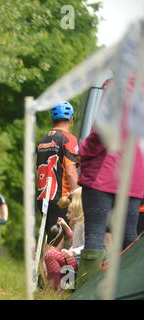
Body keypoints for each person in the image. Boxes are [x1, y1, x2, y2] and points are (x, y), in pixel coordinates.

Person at [76, 126, 144, 288]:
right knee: (129, 239)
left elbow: (101, 133)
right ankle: (128, 291)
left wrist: (82, 152)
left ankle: (87, 294)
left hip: (103, 175)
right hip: (133, 180)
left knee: (95, 236)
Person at [36, 101, 79, 242]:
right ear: (71, 119)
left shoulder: (43, 140)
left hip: (43, 196)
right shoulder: (69, 139)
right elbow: (71, 171)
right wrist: (78, 196)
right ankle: (49, 264)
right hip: (62, 198)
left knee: (51, 237)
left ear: (52, 119)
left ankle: (45, 263)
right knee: (58, 241)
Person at [44, 187, 84, 292]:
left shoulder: (85, 223)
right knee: (51, 254)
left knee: (50, 255)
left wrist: (73, 252)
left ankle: (56, 290)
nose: (67, 215)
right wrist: (66, 227)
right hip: (75, 258)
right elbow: (75, 241)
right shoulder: (79, 223)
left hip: (79, 260)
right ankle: (61, 288)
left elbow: (88, 244)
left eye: (69, 212)